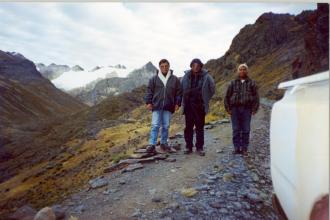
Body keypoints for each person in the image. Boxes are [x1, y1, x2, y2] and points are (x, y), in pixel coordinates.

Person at [144, 59, 182, 153]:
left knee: (166, 126)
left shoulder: (175, 79)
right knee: (155, 125)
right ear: (159, 67)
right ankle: (152, 144)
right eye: (162, 66)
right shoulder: (154, 79)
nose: (164, 68)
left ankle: (163, 143)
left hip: (169, 106)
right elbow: (149, 91)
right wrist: (148, 102)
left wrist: (177, 103)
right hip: (156, 106)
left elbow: (179, 93)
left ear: (169, 66)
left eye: (166, 66)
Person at [181, 58, 215, 156]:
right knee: (188, 127)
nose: (196, 67)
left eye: (198, 66)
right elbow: (180, 88)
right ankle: (188, 146)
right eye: (194, 65)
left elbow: (212, 89)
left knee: (200, 127)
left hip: (200, 106)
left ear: (201, 66)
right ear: (191, 66)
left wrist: (206, 98)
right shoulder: (186, 76)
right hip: (188, 106)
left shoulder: (206, 76)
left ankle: (199, 147)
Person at [224, 63, 259, 156]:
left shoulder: (251, 83)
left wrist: (254, 109)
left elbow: (256, 97)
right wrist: (228, 109)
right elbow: (227, 96)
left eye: (244, 69)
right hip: (234, 109)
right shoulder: (232, 83)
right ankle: (236, 148)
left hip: (247, 109)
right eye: (240, 69)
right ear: (238, 71)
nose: (242, 71)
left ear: (247, 71)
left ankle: (244, 148)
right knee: (236, 129)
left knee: (246, 129)